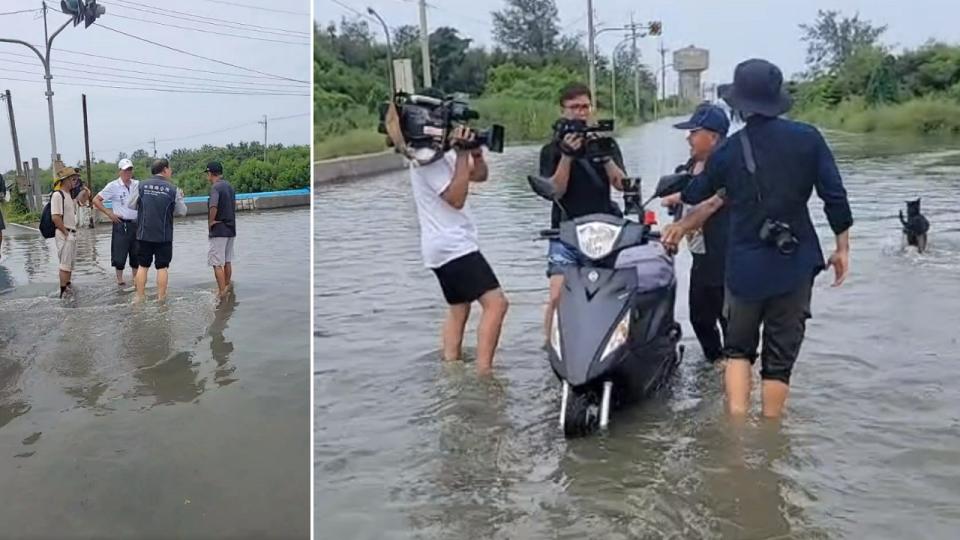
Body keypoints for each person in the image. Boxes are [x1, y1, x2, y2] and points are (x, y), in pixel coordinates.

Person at [662, 58, 853, 418]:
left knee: (737, 351)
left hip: (745, 267)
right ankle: (771, 435)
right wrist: (842, 247)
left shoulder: (729, 150)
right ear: (776, 98)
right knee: (779, 361)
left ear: (739, 103)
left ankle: (737, 439)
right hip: (795, 263)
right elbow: (835, 196)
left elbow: (698, 190)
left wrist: (690, 177)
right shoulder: (808, 138)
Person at [409, 124, 509, 374]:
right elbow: (456, 199)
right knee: (496, 304)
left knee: (459, 307)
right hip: (451, 245)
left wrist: (474, 153)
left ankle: (451, 366)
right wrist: (463, 155)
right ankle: (484, 373)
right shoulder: (426, 159)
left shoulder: (444, 153)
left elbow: (478, 176)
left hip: (443, 247)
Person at [540, 82, 628, 340]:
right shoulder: (551, 150)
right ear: (562, 110)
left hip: (604, 229)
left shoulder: (606, 143)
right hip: (565, 230)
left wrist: (604, 156)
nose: (580, 113)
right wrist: (567, 155)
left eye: (584, 107)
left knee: (605, 294)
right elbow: (553, 190)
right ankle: (550, 347)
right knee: (557, 294)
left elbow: (622, 185)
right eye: (574, 107)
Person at [660, 103, 731, 363]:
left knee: (731, 322)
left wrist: (678, 199)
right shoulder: (690, 167)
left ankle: (736, 374)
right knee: (700, 319)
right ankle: (715, 367)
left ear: (713, 137)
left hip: (727, 257)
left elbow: (712, 202)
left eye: (694, 132)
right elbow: (684, 210)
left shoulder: (728, 166)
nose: (688, 138)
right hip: (700, 256)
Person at [126, 158, 187, 302]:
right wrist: (180, 198)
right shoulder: (173, 189)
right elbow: (182, 211)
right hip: (163, 236)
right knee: (162, 267)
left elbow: (130, 205)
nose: (170, 171)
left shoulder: (141, 186)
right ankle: (161, 298)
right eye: (170, 169)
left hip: (143, 234)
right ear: (165, 169)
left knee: (143, 266)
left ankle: (139, 296)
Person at [93, 158, 140, 286]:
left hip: (136, 223)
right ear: (120, 171)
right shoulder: (113, 186)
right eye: (125, 170)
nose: (128, 173)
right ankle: (120, 280)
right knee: (119, 255)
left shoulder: (137, 184)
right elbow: (96, 200)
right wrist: (109, 213)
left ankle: (136, 280)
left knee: (136, 254)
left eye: (130, 170)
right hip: (121, 223)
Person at [205, 161, 236, 297]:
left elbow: (213, 206)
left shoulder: (215, 188)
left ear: (210, 173)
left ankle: (221, 292)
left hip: (219, 230)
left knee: (217, 263)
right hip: (231, 229)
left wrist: (211, 222)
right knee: (227, 260)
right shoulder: (229, 187)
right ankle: (227, 286)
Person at [51, 165, 81, 298]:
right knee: (64, 264)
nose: (75, 182)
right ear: (65, 180)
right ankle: (63, 292)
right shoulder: (58, 195)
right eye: (73, 179)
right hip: (64, 233)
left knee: (69, 264)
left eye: (76, 179)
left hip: (71, 232)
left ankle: (68, 286)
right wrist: (66, 234)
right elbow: (56, 217)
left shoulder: (68, 195)